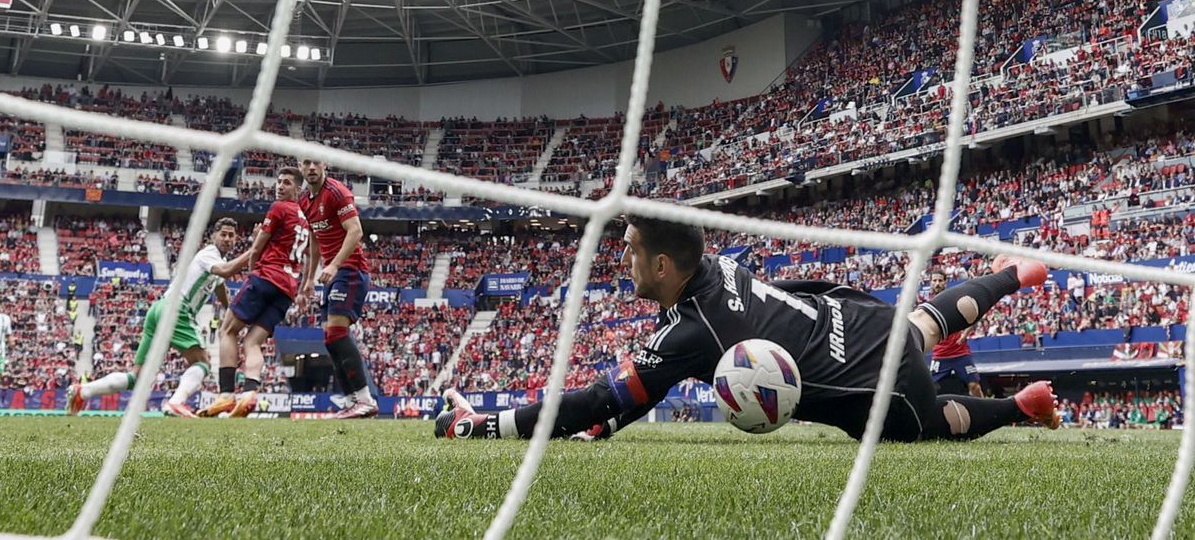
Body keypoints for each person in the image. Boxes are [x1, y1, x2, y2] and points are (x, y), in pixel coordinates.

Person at [435, 214, 1061, 442]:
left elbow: (603, 399)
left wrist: (483, 425)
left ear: (660, 264)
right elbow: (619, 406)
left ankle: (1019, 407)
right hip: (857, 315)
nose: (622, 262)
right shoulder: (716, 269)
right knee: (922, 324)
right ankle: (1009, 275)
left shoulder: (692, 331)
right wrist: (610, 421)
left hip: (863, 382)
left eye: (629, 251)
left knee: (931, 423)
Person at [69, 218, 245, 416]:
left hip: (160, 308)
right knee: (202, 362)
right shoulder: (209, 254)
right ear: (213, 236)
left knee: (136, 377)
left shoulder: (216, 262)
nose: (227, 239)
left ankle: (82, 391)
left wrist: (232, 313)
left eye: (231, 235)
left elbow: (221, 288)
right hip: (177, 307)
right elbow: (227, 271)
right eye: (223, 234)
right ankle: (175, 402)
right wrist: (254, 248)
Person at [200, 168, 312, 418]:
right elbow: (311, 253)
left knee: (228, 330)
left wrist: (253, 270)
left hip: (267, 277)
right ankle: (250, 392)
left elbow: (258, 245)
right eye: (278, 182)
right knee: (253, 342)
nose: (280, 187)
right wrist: (306, 284)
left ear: (297, 189)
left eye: (286, 183)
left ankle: (226, 395)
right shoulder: (306, 219)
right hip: (287, 289)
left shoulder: (280, 207)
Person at [297, 157, 378, 419]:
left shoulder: (337, 192)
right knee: (329, 339)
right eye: (306, 163)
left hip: (350, 269)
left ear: (324, 166)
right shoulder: (304, 200)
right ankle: (351, 400)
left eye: (316, 163)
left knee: (336, 334)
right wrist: (309, 279)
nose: (311, 167)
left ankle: (365, 399)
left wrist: (333, 265)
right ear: (300, 167)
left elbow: (355, 231)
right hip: (332, 274)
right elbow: (314, 240)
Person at [924, 270, 984, 397]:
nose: (937, 283)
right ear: (930, 283)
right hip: (940, 355)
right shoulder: (928, 306)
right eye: (934, 281)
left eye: (940, 280)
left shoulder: (956, 298)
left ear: (945, 282)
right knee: (927, 389)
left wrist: (965, 334)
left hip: (960, 353)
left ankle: (985, 415)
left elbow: (976, 314)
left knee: (974, 386)